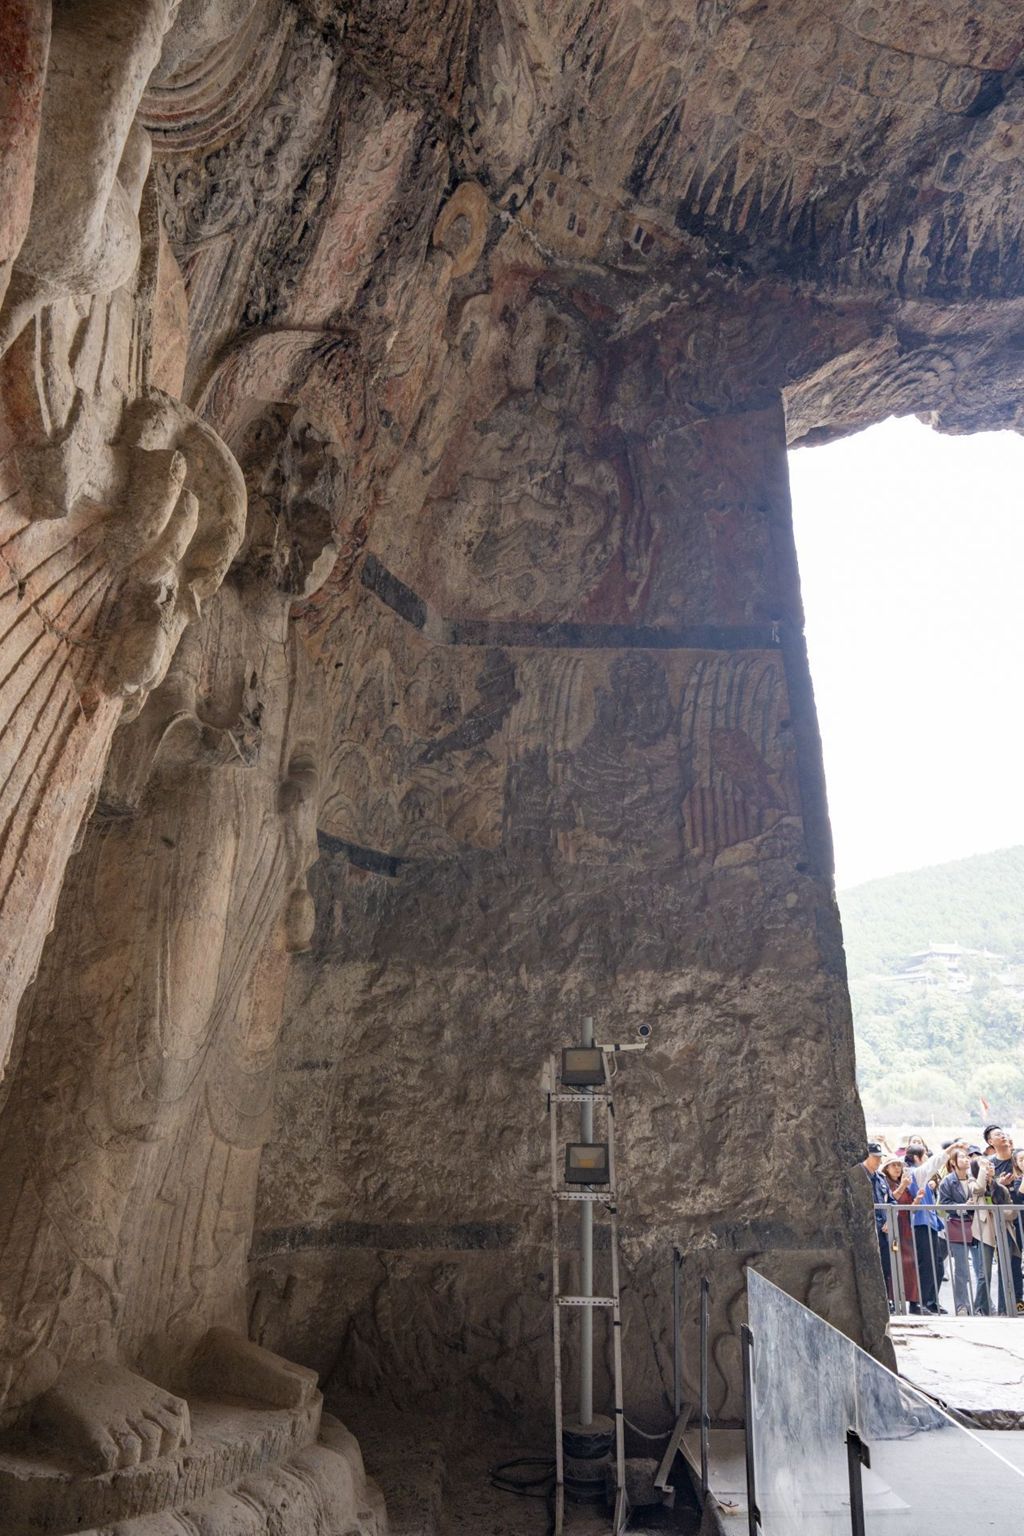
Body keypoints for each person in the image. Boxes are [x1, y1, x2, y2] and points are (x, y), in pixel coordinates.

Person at [938, 1148, 984, 1315]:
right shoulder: (948, 1181)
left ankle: (981, 1305)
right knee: (961, 1270)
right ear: (953, 1162)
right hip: (958, 1226)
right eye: (962, 1157)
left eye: (967, 1157)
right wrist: (962, 1207)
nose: (966, 1160)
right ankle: (962, 1305)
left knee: (981, 1269)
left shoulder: (975, 1179)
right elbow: (943, 1205)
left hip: (977, 1226)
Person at [905, 1147, 945, 1314]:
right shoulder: (916, 1173)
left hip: (930, 1222)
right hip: (921, 1223)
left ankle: (929, 1300)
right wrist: (951, 1150)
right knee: (926, 1264)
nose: (927, 1159)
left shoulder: (922, 1177)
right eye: (925, 1156)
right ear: (917, 1157)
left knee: (936, 1264)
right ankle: (918, 1302)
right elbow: (934, 1165)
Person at [881, 1153, 922, 1312]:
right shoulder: (885, 1183)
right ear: (886, 1168)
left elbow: (909, 1208)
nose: (897, 1168)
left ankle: (913, 1301)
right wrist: (903, 1185)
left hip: (905, 1227)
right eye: (893, 1165)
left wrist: (917, 1200)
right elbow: (891, 1199)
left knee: (910, 1264)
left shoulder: (901, 1182)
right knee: (892, 1264)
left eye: (899, 1165)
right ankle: (890, 1299)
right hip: (892, 1227)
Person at [862, 1142, 894, 1306]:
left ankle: (884, 1300)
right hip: (866, 1232)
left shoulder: (881, 1179)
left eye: (880, 1158)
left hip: (883, 1232)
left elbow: (892, 1201)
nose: (878, 1161)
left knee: (885, 1267)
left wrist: (890, 1220)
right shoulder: (860, 1177)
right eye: (875, 1157)